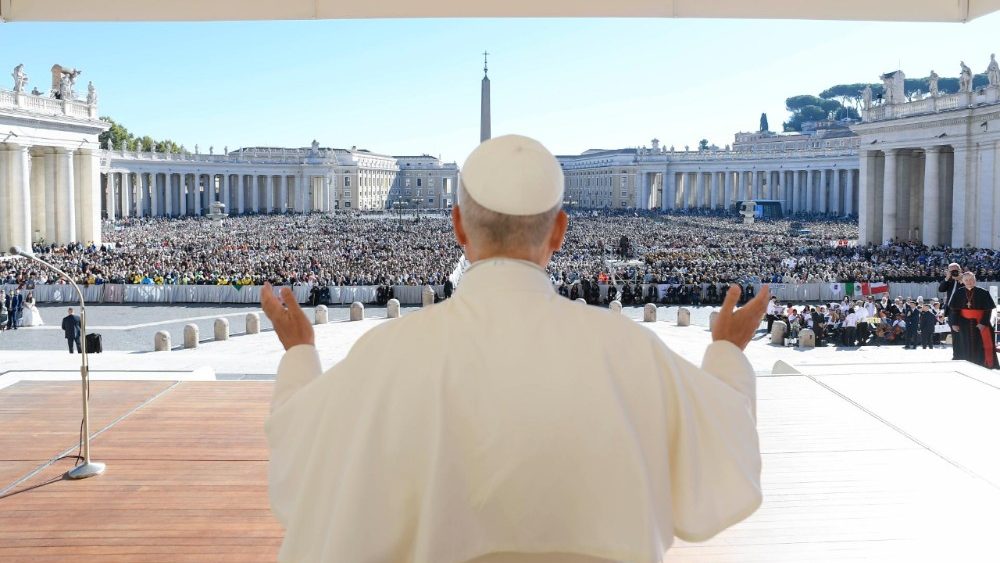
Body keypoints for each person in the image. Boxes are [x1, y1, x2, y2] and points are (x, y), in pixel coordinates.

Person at [262, 134, 770, 563]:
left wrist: (300, 352)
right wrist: (726, 351)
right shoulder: (633, 351)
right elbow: (727, 451)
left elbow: (299, 450)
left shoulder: (385, 355)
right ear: (560, 231)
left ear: (458, 225)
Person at [948, 271, 998, 369]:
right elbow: (954, 310)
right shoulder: (958, 292)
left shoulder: (983, 292)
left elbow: (988, 310)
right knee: (963, 344)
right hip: (963, 324)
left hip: (980, 323)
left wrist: (983, 323)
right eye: (966, 280)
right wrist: (954, 323)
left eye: (971, 279)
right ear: (962, 281)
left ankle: (983, 363)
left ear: (975, 280)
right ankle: (964, 363)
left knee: (981, 345)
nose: (969, 282)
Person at [939, 263, 963, 359]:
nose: (954, 272)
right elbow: (941, 289)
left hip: (963, 309)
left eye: (955, 270)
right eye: (951, 270)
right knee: (955, 333)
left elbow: (970, 287)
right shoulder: (948, 280)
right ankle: (956, 355)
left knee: (963, 332)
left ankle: (966, 353)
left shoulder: (964, 277)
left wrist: (960, 279)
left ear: (959, 269)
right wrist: (947, 278)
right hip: (951, 310)